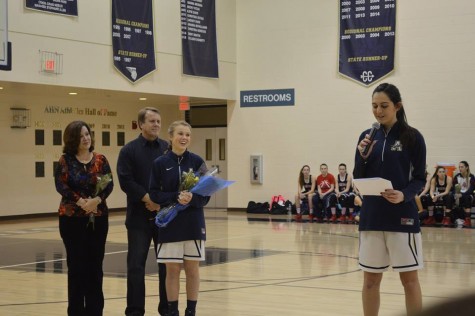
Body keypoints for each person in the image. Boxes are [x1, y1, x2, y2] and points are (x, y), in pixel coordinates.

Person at [353, 83, 426, 316]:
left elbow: (419, 179)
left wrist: (404, 195)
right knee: (370, 282)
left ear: (397, 106)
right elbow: (358, 178)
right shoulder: (366, 137)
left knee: (410, 281)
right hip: (372, 218)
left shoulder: (413, 137)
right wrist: (362, 157)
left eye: (384, 106)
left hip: (402, 217)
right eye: (374, 106)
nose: (378, 111)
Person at [149, 121, 210, 316]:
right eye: (180, 134)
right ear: (171, 137)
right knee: (172, 270)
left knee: (192, 270)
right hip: (170, 224)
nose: (184, 138)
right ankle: (172, 311)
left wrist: (193, 198)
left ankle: (191, 311)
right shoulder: (160, 163)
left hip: (193, 222)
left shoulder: (198, 161)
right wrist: (175, 196)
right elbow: (154, 194)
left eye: (187, 135)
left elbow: (207, 194)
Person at [54, 121, 114, 316]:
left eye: (87, 134)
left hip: (98, 218)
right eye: (81, 136)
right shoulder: (65, 160)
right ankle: (76, 311)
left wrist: (96, 201)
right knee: (77, 267)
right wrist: (81, 202)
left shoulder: (100, 159)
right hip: (72, 219)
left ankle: (95, 311)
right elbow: (61, 186)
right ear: (72, 140)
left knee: (95, 266)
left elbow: (109, 185)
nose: (86, 138)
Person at [117, 107, 169, 316]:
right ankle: (135, 310)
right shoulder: (128, 150)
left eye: (158, 121)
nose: (156, 124)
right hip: (138, 218)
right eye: (152, 121)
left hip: (164, 218)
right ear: (141, 124)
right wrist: (148, 198)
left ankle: (167, 308)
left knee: (166, 266)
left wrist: (159, 202)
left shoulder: (167, 148)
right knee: (136, 267)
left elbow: (172, 180)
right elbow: (125, 180)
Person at [452, 161, 475, 228]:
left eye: (462, 167)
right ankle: (448, 218)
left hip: (468, 195)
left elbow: (471, 189)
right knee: (449, 197)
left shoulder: (472, 176)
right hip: (459, 195)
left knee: (467, 197)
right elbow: (454, 188)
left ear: (467, 167)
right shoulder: (457, 176)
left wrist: (462, 194)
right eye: (459, 167)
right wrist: (456, 194)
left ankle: (468, 220)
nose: (460, 168)